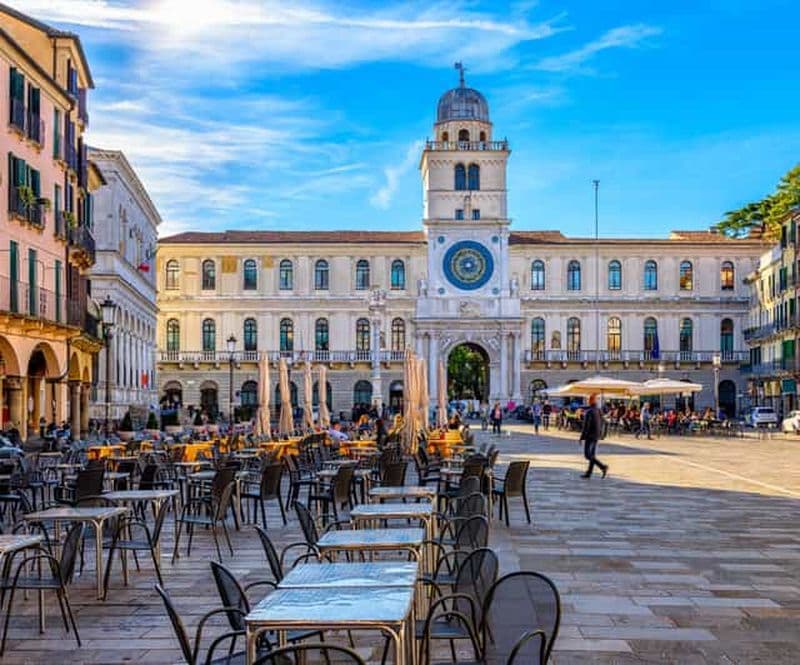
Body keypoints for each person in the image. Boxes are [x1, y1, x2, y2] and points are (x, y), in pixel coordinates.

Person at [579, 393, 608, 479]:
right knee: (592, 455)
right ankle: (589, 473)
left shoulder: (589, 412)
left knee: (588, 455)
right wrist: (601, 434)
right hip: (596, 435)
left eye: (589, 400)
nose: (588, 401)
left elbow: (586, 426)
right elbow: (603, 422)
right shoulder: (598, 411)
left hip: (590, 436)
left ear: (590, 401)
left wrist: (582, 437)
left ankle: (603, 466)